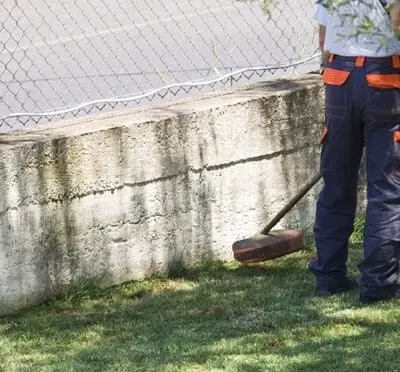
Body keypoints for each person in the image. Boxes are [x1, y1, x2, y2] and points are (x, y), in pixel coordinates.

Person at [309, 0, 400, 303]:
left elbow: (324, 38)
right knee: (386, 188)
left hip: (338, 77)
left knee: (336, 183)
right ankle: (378, 283)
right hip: (384, 79)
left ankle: (329, 276)